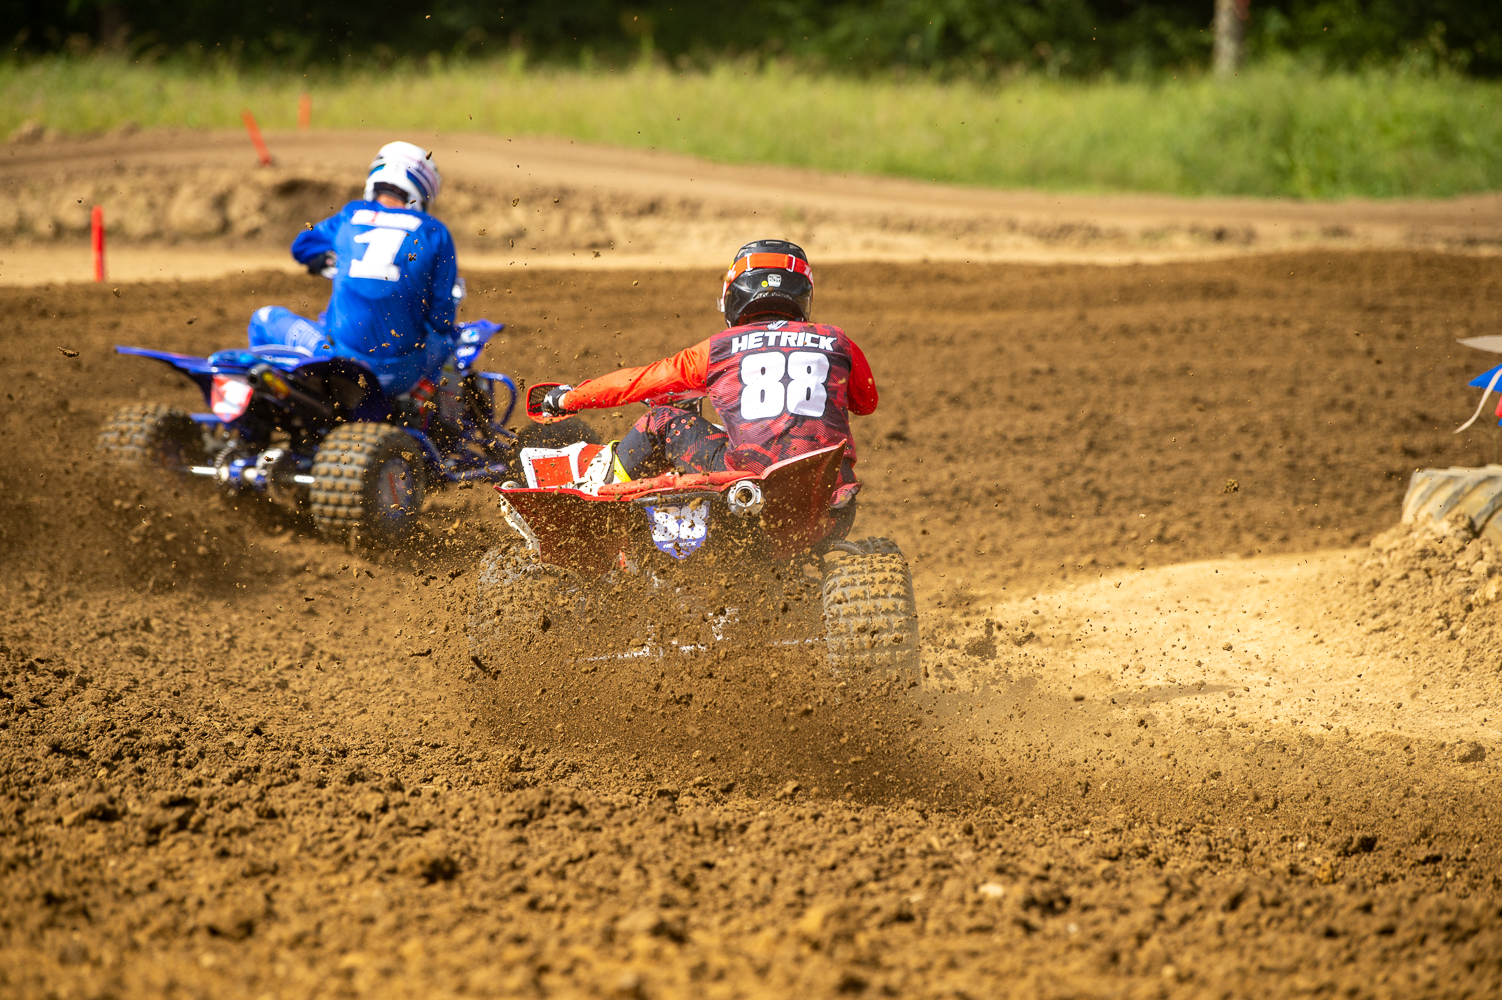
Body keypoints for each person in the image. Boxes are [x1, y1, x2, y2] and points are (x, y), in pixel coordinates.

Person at [541, 239, 878, 512]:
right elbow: (867, 403)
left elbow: (638, 382)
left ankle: (601, 503)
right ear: (803, 295)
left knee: (660, 420)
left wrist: (568, 397)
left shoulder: (719, 349)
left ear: (734, 296)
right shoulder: (838, 340)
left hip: (749, 493)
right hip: (829, 498)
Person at [246, 140, 460, 397]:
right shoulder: (434, 231)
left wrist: (325, 261)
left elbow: (302, 246)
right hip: (402, 374)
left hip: (340, 364)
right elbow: (442, 319)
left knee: (264, 319)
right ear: (423, 189)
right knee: (450, 340)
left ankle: (275, 402)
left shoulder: (351, 216)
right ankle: (430, 414)